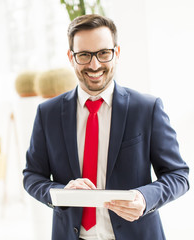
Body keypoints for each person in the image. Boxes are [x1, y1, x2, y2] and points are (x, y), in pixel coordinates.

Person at [23, 14, 190, 240]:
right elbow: (32, 176)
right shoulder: (47, 113)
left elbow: (178, 175)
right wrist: (61, 194)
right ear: (71, 57)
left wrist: (144, 197)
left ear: (117, 53)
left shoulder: (146, 109)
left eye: (103, 53)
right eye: (84, 55)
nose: (94, 65)